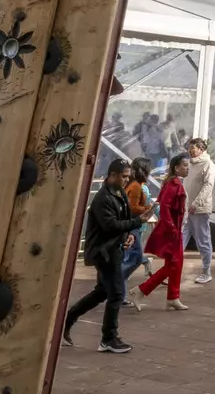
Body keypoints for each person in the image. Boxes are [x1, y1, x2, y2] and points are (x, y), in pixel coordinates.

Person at [64, 158, 142, 353]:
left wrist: (129, 235)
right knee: (116, 293)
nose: (126, 180)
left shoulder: (119, 192)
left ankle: (68, 319)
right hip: (104, 252)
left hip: (113, 249)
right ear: (113, 175)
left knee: (102, 291)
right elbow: (110, 225)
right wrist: (136, 223)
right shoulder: (102, 198)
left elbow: (122, 219)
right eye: (123, 176)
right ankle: (108, 338)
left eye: (127, 176)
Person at [138, 151, 192, 309]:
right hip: (172, 230)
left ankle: (172, 296)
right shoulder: (173, 184)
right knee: (175, 264)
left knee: (176, 264)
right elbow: (165, 208)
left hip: (175, 229)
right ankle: (143, 291)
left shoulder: (175, 183)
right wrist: (172, 228)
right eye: (185, 166)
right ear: (176, 168)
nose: (187, 168)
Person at [184, 137, 215, 284]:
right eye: (189, 148)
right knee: (180, 239)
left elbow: (208, 186)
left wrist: (196, 203)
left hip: (199, 209)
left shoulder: (208, 165)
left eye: (193, 148)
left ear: (201, 149)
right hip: (186, 208)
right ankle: (171, 270)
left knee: (203, 241)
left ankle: (206, 271)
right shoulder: (189, 165)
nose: (190, 151)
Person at [121, 161, 154, 299]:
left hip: (132, 225)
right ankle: (115, 284)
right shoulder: (135, 186)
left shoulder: (136, 185)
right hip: (132, 225)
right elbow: (133, 208)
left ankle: (119, 293)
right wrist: (148, 208)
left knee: (131, 257)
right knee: (133, 258)